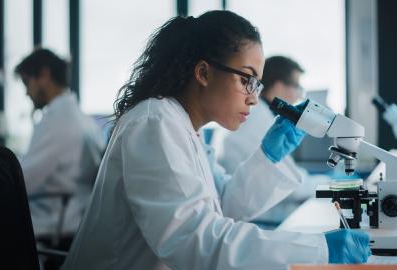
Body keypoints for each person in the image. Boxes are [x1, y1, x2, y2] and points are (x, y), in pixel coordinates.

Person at [63, 11, 371, 270]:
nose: (254, 98)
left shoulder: (184, 127)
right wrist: (317, 248)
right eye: (246, 79)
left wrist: (268, 157)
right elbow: (195, 239)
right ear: (203, 72)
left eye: (258, 83)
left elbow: (222, 206)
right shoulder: (154, 122)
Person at [215, 56, 328, 226]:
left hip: (255, 206)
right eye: (296, 86)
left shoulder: (261, 115)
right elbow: (290, 186)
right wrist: (330, 184)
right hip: (259, 216)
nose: (299, 94)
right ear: (278, 86)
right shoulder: (257, 119)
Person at [14, 49, 105, 239]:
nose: (26, 92)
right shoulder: (76, 115)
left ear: (44, 76)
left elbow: (23, 180)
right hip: (72, 211)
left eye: (26, 82)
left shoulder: (58, 120)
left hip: (55, 219)